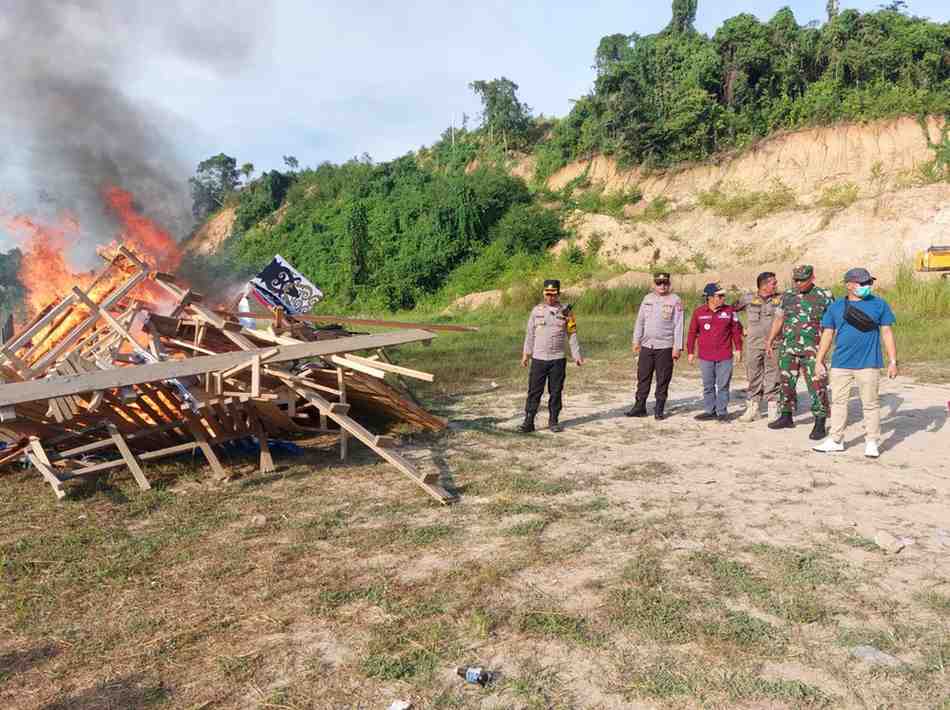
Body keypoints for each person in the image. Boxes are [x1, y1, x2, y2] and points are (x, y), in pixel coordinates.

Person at [812, 267, 898, 458]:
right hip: (840, 364)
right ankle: (835, 440)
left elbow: (886, 332)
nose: (868, 286)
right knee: (838, 402)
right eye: (863, 283)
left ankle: (872, 442)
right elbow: (827, 334)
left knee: (870, 404)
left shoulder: (879, 304)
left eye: (869, 282)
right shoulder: (836, 307)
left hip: (869, 363)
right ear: (849, 285)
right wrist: (819, 361)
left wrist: (893, 361)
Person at [766, 265, 834, 440]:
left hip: (813, 349)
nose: (799, 283)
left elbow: (833, 322)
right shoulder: (787, 296)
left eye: (802, 280)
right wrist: (770, 340)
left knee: (817, 384)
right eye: (796, 280)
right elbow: (779, 318)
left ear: (812, 278)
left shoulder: (824, 296)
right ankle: (786, 415)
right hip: (788, 346)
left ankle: (820, 420)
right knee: (786, 382)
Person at [518, 279, 584, 433]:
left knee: (555, 391)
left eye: (553, 294)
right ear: (544, 294)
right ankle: (529, 421)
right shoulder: (536, 311)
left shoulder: (566, 312)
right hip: (539, 359)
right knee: (534, 391)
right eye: (547, 294)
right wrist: (526, 354)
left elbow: (572, 334)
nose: (550, 297)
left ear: (558, 294)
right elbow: (530, 334)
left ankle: (553, 421)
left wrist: (576, 355)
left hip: (557, 359)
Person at [626, 272, 684, 420]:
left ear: (669, 284)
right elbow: (640, 321)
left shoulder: (675, 300)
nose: (662, 286)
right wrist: (636, 340)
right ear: (654, 284)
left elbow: (679, 325)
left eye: (665, 283)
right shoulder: (647, 299)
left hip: (665, 346)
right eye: (659, 283)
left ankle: (659, 408)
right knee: (643, 377)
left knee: (663, 378)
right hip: (647, 345)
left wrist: (677, 347)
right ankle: (640, 406)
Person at [687, 283, 743, 421]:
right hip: (705, 356)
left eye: (723, 295)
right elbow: (692, 332)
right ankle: (709, 411)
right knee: (708, 385)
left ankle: (722, 412)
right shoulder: (699, 312)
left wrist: (738, 349)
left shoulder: (730, 311)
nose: (723, 298)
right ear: (710, 297)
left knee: (723, 385)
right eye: (720, 296)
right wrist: (690, 351)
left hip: (725, 355)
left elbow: (736, 331)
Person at [734, 272, 781, 422]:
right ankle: (753, 407)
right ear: (764, 285)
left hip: (774, 344)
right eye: (773, 283)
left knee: (773, 375)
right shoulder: (748, 299)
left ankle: (773, 407)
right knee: (753, 375)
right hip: (754, 345)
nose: (776, 285)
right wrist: (740, 327)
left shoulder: (780, 299)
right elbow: (730, 312)